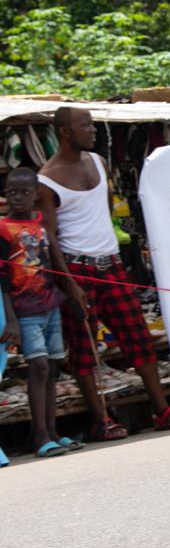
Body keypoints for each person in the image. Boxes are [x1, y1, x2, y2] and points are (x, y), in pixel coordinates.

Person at [38, 108, 170, 440]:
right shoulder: (47, 179)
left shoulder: (98, 162)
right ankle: (101, 420)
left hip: (110, 263)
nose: (93, 130)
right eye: (85, 125)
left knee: (137, 336)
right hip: (77, 268)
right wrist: (68, 282)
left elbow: (107, 211)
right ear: (65, 131)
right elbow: (49, 236)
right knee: (84, 348)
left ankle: (161, 409)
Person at [0, 168, 85, 457]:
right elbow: (2, 278)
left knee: (52, 368)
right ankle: (39, 436)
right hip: (24, 310)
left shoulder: (40, 225)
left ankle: (53, 432)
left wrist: (70, 294)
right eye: (12, 192)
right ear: (5, 193)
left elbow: (51, 264)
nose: (18, 197)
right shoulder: (3, 228)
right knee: (38, 367)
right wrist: (11, 319)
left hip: (50, 305)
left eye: (24, 192)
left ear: (36, 195)